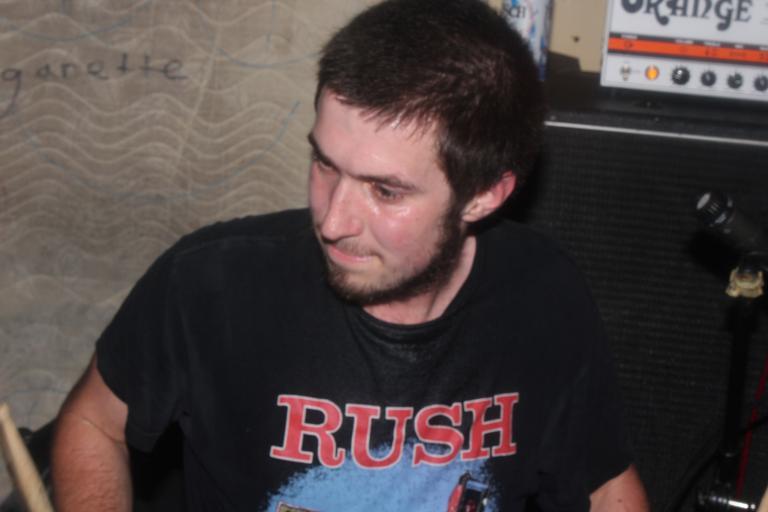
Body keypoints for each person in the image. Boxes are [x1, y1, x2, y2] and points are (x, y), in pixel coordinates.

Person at [51, 0, 649, 510]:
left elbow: (605, 486)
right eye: (325, 163)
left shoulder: (544, 295)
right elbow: (92, 422)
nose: (332, 221)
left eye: (385, 191)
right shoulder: (211, 282)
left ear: (485, 195)